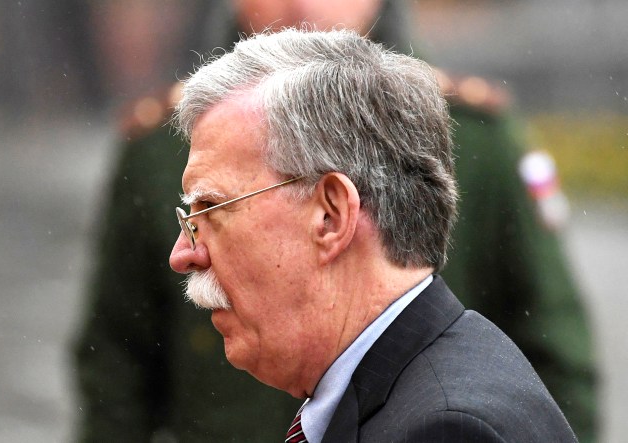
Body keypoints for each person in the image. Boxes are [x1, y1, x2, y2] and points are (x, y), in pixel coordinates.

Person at [72, 1, 597, 441]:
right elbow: (115, 366)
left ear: (332, 214)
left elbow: (554, 349)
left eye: (213, 209)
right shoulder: (167, 136)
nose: (182, 254)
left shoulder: (450, 427)